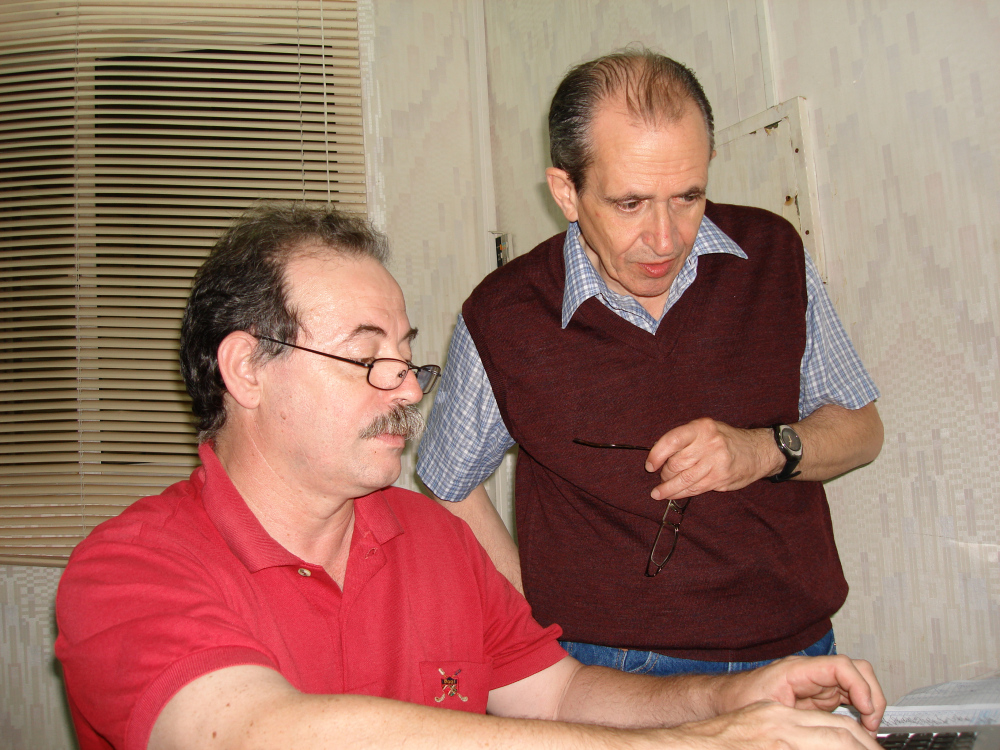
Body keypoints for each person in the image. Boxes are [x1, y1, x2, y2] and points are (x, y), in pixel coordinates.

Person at [54, 202, 886, 750]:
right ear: (247, 368)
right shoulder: (128, 570)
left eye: (405, 353)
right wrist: (688, 746)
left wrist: (738, 700)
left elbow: (559, 698)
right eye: (365, 356)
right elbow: (263, 731)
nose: (410, 387)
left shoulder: (435, 541)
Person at [416, 48, 884, 675]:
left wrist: (762, 451)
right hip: (613, 671)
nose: (665, 240)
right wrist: (535, 618)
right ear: (566, 191)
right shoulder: (503, 314)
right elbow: (448, 481)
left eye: (689, 196)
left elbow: (862, 430)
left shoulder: (772, 253)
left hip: (796, 651)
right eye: (630, 203)